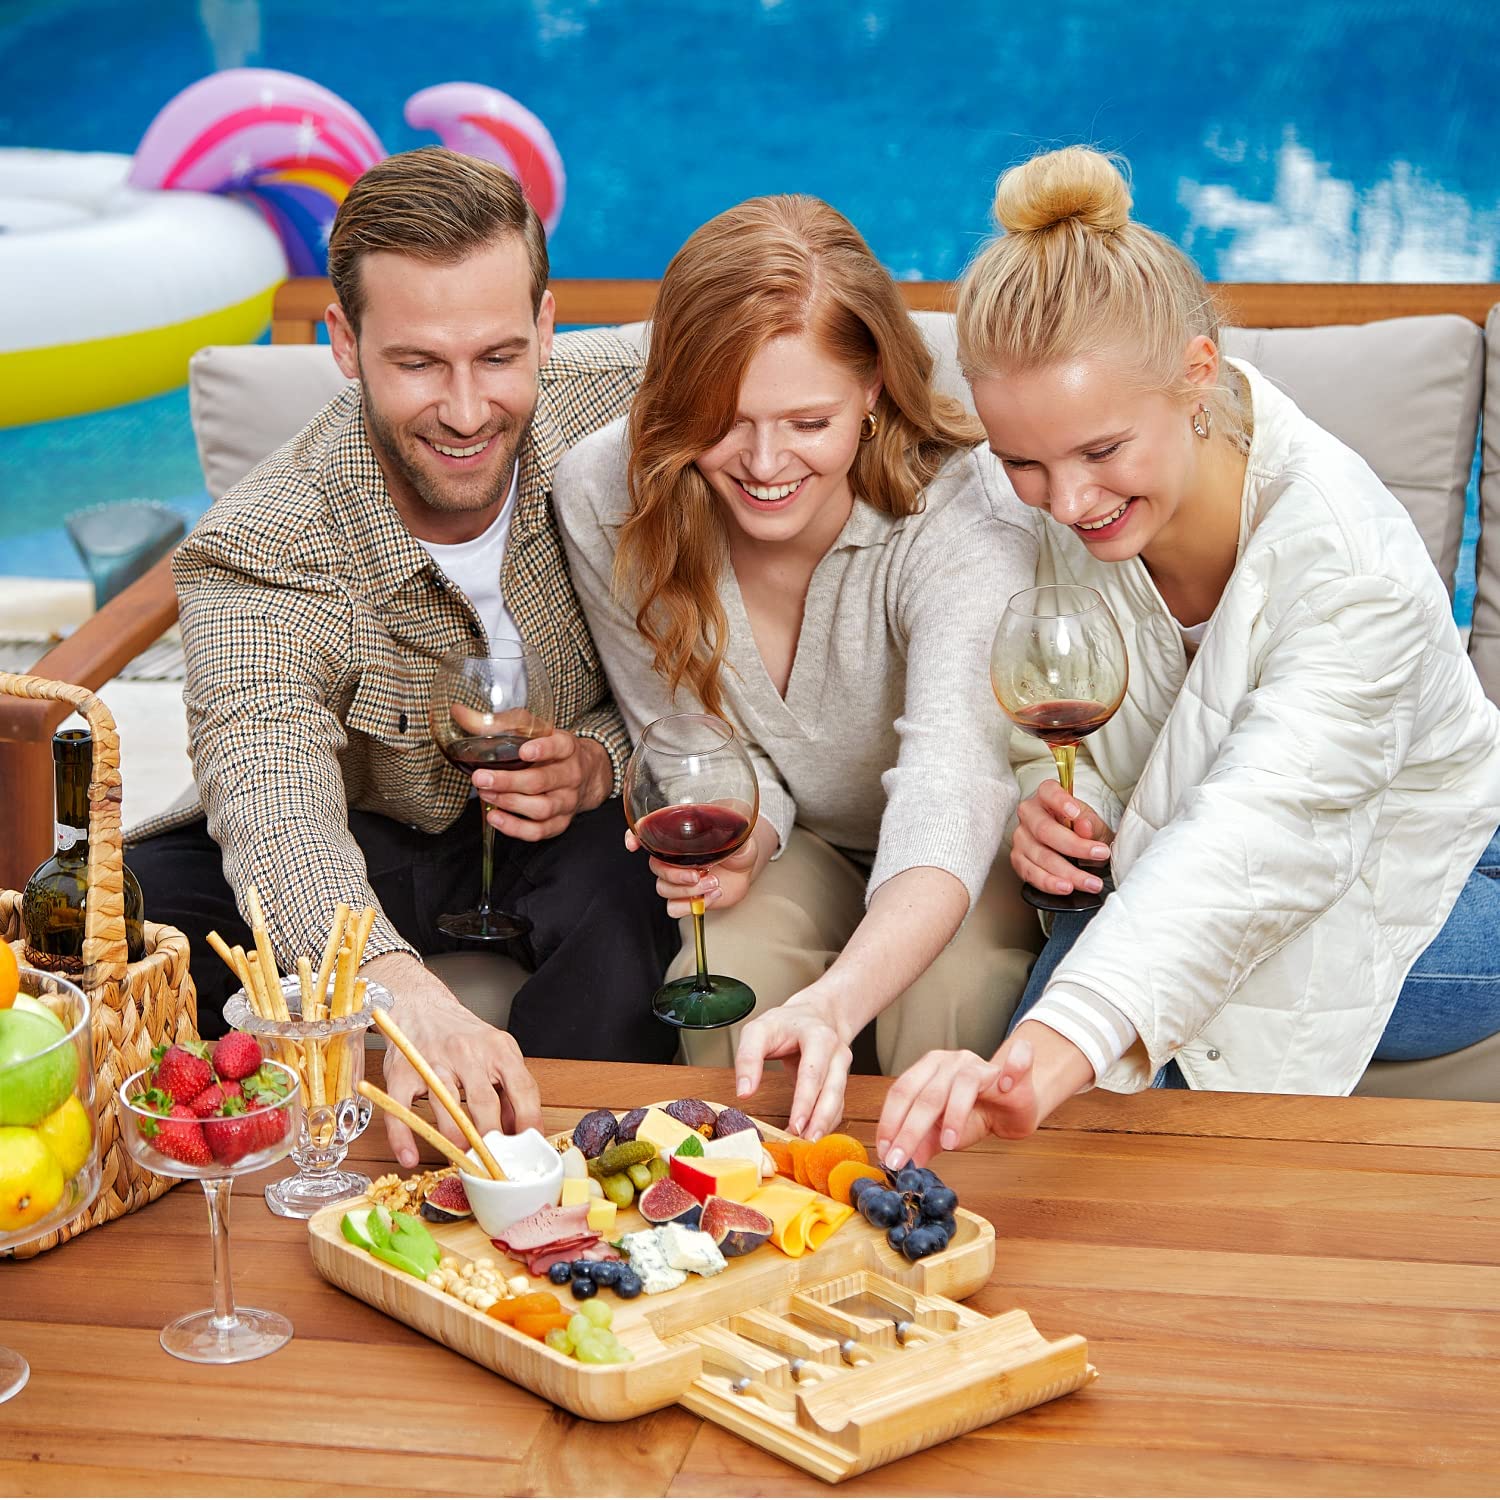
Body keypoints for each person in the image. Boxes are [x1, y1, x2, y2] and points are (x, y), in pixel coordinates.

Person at [877, 146, 1500, 1168]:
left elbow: (1249, 845)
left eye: (1101, 452)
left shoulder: (1353, 572)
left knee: (1204, 966)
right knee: (1122, 940)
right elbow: (1050, 705)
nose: (1067, 502)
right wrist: (1041, 805)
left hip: (1444, 861)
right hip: (1189, 855)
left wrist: (1046, 1049)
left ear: (1196, 377)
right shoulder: (1060, 500)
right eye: (1024, 461)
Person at [129, 147, 679, 1168]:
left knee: (623, 889)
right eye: (419, 363)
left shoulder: (634, 399)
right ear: (345, 344)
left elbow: (801, 333)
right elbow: (271, 791)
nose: (468, 411)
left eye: (499, 357)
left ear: (548, 324)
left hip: (552, 834)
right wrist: (392, 987)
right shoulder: (260, 545)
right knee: (130, 907)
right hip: (358, 828)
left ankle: (563, 1181)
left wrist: (600, 756)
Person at [554, 195, 1041, 1142]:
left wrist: (838, 1002)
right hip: (812, 840)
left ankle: (933, 1235)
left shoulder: (966, 518)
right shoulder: (607, 491)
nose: (766, 463)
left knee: (947, 983)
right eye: (724, 421)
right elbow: (684, 730)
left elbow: (951, 788)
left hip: (974, 845)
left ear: (872, 392)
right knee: (722, 961)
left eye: (807, 420)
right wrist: (754, 834)